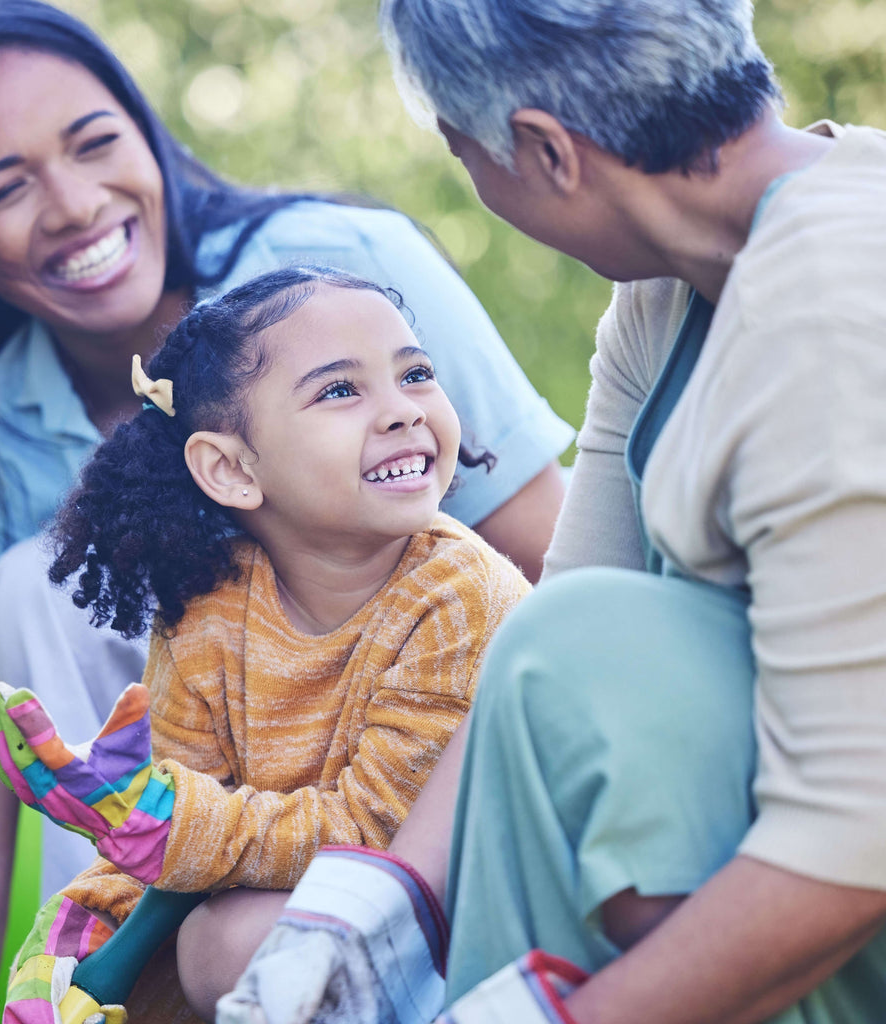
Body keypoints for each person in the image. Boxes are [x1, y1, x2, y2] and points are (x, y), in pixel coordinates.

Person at [0, 1, 574, 1021]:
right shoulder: (15, 435)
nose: (73, 204)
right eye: (6, 186)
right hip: (236, 852)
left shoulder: (342, 277)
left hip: (428, 845)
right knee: (35, 580)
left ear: (148, 135)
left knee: (232, 943)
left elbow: (568, 566)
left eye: (95, 142)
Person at [219, 0, 886, 1021]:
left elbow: (853, 832)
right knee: (566, 643)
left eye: (466, 156)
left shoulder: (828, 314)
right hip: (797, 831)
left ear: (545, 151)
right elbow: (561, 623)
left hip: (840, 867)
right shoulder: (674, 287)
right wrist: (371, 906)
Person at [0, 264, 531, 1022]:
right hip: (318, 918)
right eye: (341, 390)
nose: (403, 411)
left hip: (481, 918)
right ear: (231, 469)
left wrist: (164, 822)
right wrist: (74, 942)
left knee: (228, 944)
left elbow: (380, 836)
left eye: (416, 374)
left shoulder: (462, 595)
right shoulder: (207, 614)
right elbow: (171, 849)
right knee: (181, 950)